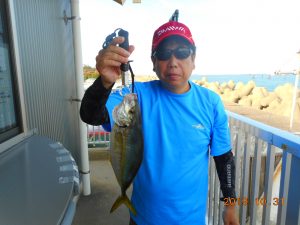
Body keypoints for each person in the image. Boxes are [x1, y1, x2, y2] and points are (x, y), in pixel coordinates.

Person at [80, 17, 239, 225]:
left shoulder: (211, 103)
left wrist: (231, 204)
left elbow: (224, 158)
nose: (173, 62)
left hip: (191, 220)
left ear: (194, 59)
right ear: (154, 62)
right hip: (143, 219)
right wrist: (104, 82)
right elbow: (91, 115)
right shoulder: (135, 96)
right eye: (164, 54)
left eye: (182, 52)